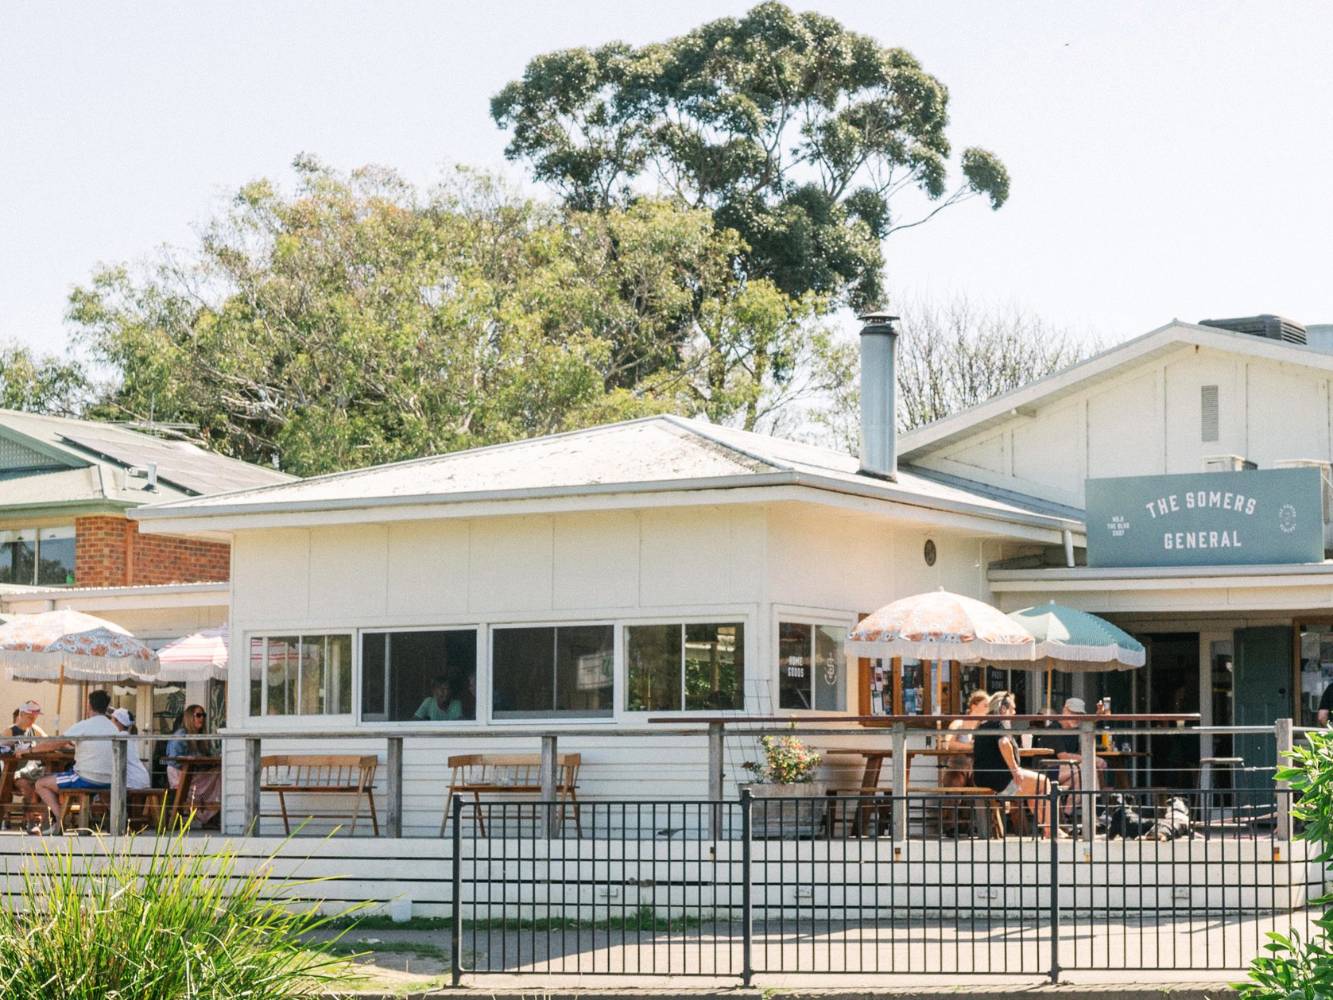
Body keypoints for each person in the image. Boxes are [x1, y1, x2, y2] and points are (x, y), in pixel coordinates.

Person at [971, 690, 1062, 839]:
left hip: (983, 778)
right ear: (1003, 709)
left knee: (1035, 790)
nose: (1014, 712)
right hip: (1000, 781)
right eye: (1012, 708)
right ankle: (1052, 829)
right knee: (1044, 783)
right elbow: (1003, 742)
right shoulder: (999, 723)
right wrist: (1015, 769)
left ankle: (1048, 829)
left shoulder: (983, 725)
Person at [33, 690, 119, 834]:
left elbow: (54, 744)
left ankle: (61, 820)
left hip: (86, 778)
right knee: (65, 779)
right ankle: (79, 820)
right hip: (109, 780)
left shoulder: (84, 725)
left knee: (40, 783)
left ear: (89, 705)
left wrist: (30, 750)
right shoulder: (113, 728)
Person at [165, 704, 220, 825]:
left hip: (192, 773)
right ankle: (207, 814)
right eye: (198, 715)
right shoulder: (181, 735)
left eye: (203, 715)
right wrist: (195, 762)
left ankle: (209, 813)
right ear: (190, 717)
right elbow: (174, 759)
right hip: (180, 773)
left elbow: (207, 756)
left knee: (219, 771)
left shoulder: (200, 738)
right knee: (218, 774)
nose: (202, 718)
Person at [939, 689, 990, 788]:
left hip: (975, 771)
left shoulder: (983, 727)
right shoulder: (959, 723)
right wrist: (973, 746)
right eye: (985, 706)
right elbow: (948, 744)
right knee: (954, 781)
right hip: (956, 769)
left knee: (986, 781)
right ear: (974, 706)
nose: (988, 709)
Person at [7, 700, 47, 810]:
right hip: (13, 774)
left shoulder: (34, 730)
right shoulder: (10, 733)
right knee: (26, 786)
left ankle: (46, 820)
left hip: (34, 772)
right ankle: (33, 819)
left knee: (47, 783)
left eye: (34, 717)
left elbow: (48, 741)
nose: (32, 720)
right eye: (30, 717)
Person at [110, 708, 151, 790]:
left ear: (118, 722)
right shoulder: (130, 736)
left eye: (112, 719)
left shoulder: (119, 737)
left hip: (132, 782)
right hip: (143, 778)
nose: (110, 722)